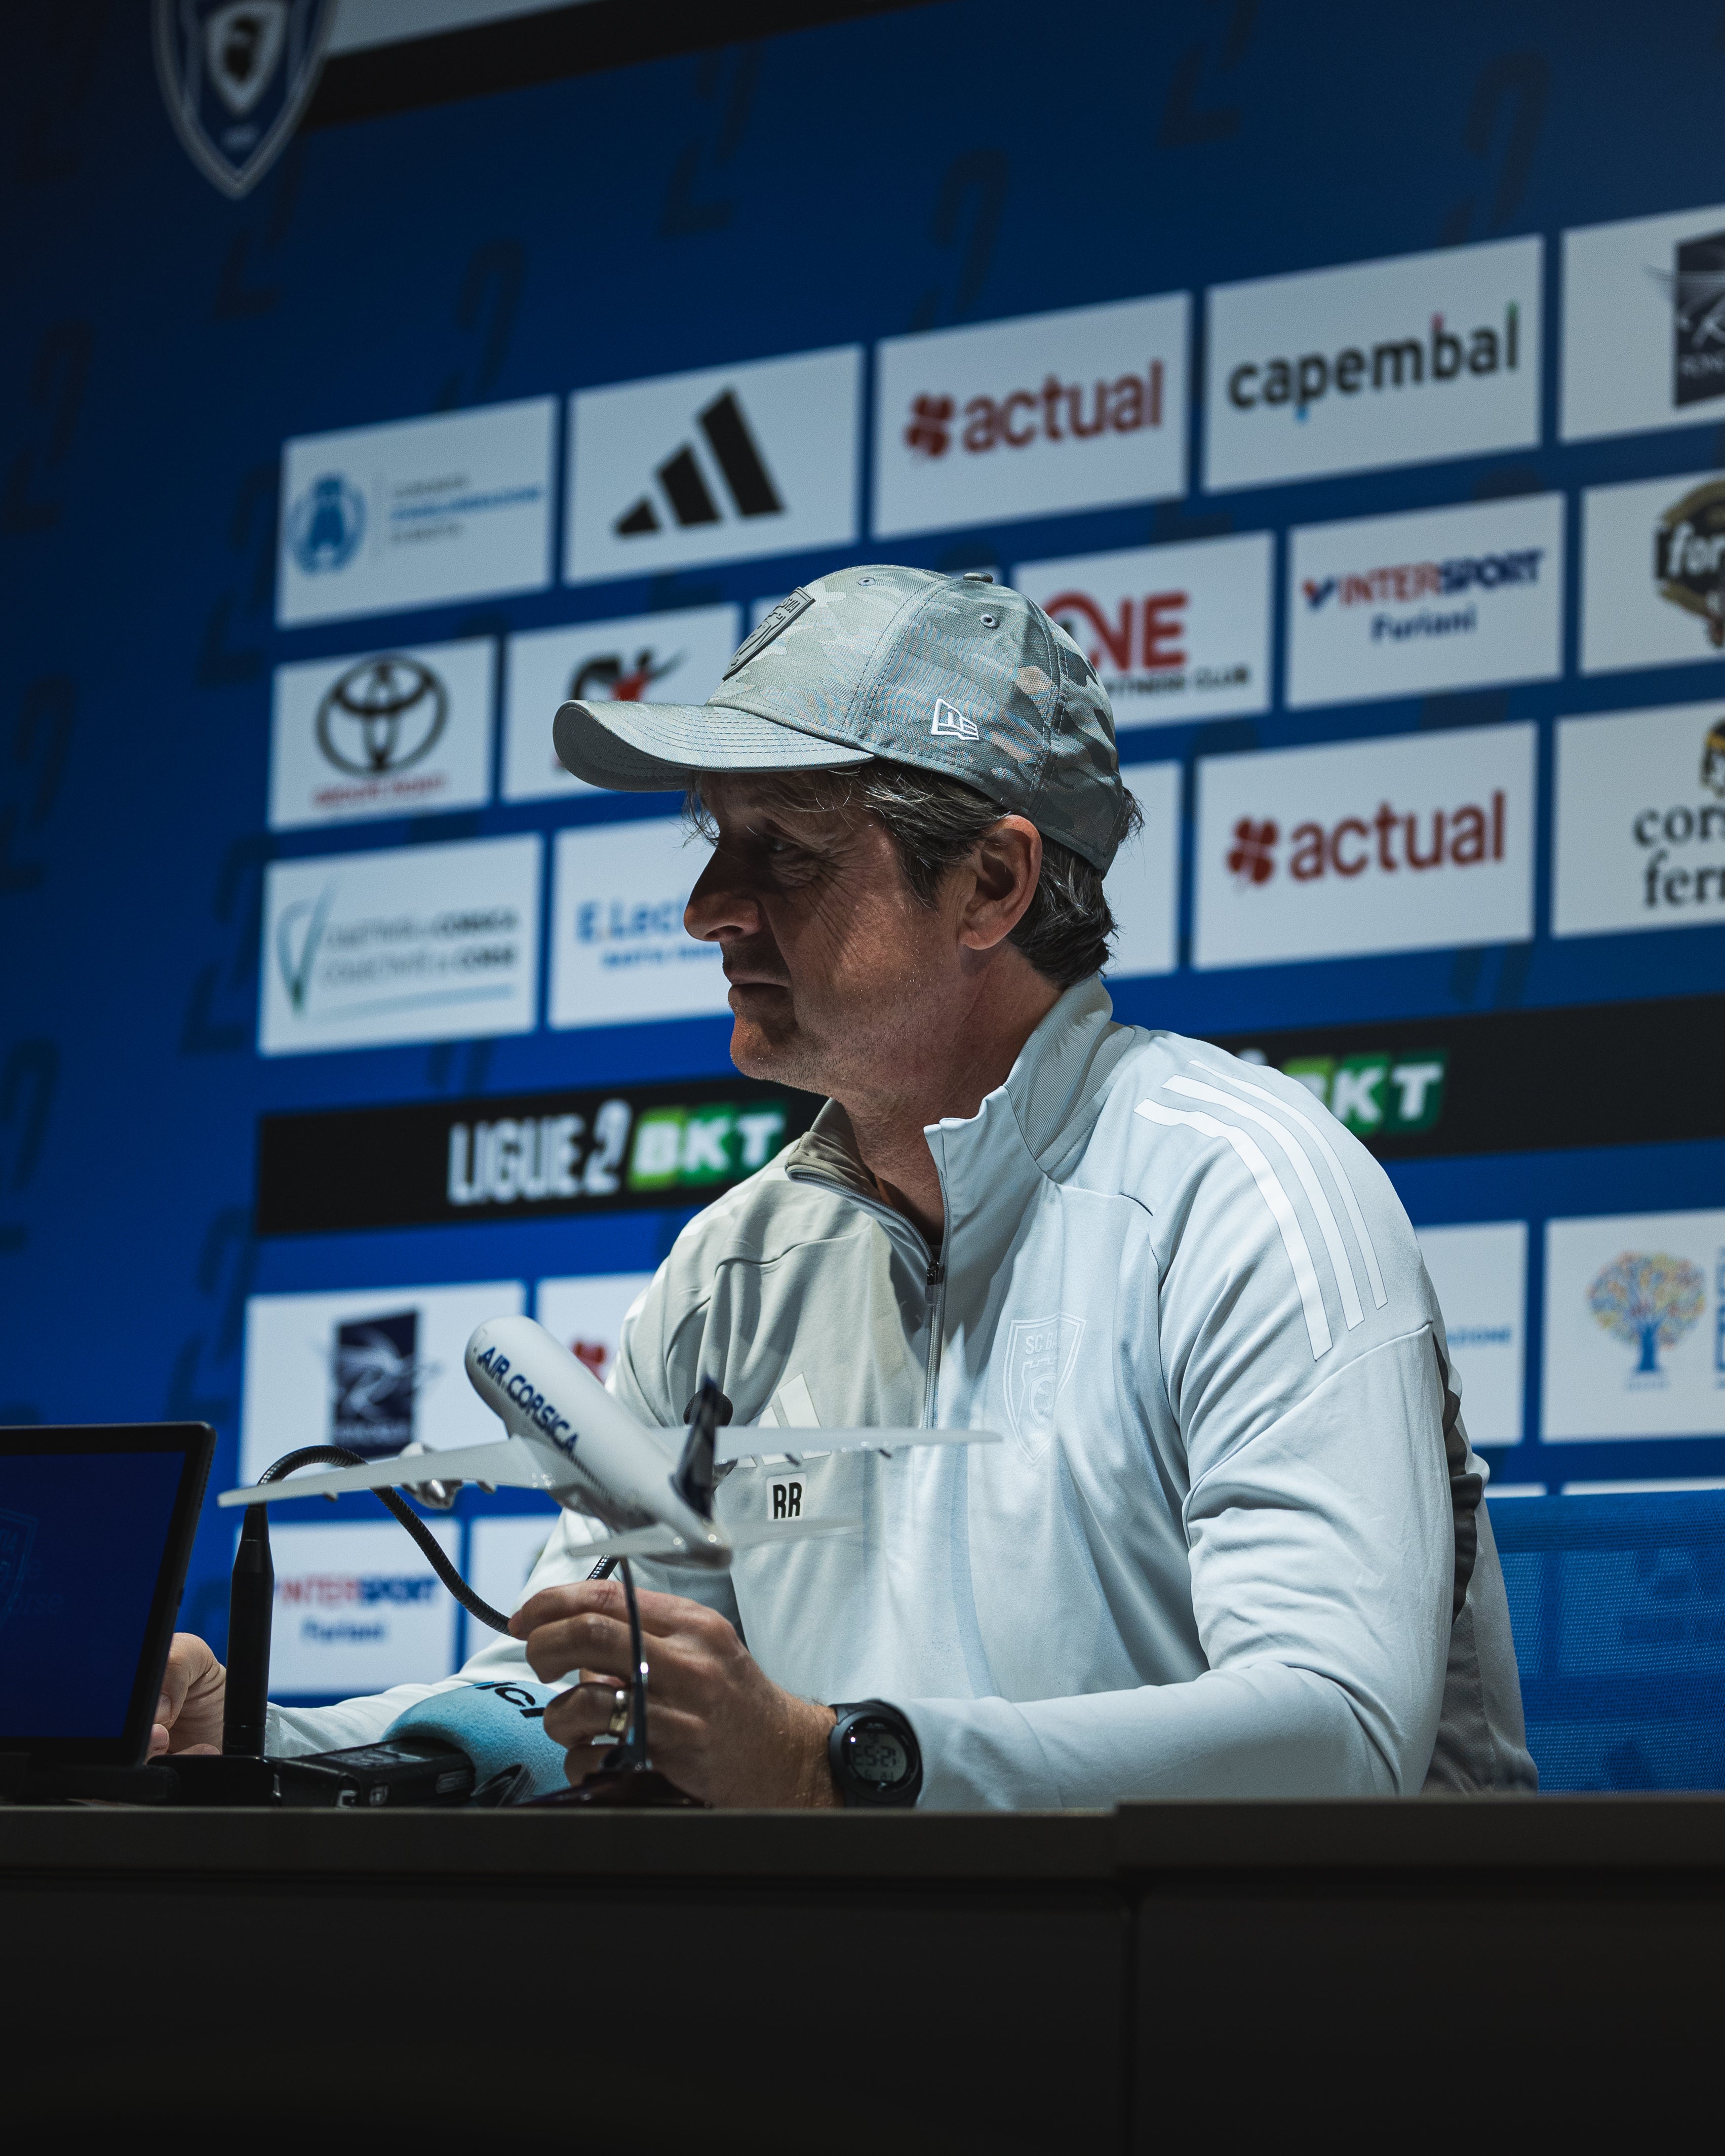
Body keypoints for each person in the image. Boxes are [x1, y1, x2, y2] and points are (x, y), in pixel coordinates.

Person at [154, 565, 1535, 1807]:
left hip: (1249, 1997)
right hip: (858, 1986)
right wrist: (262, 1741)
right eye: (716, 840)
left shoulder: (1246, 1195)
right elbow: (584, 1702)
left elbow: (1335, 1737)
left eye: (786, 851)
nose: (708, 906)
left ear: (991, 883)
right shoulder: (730, 1270)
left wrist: (834, 1764)